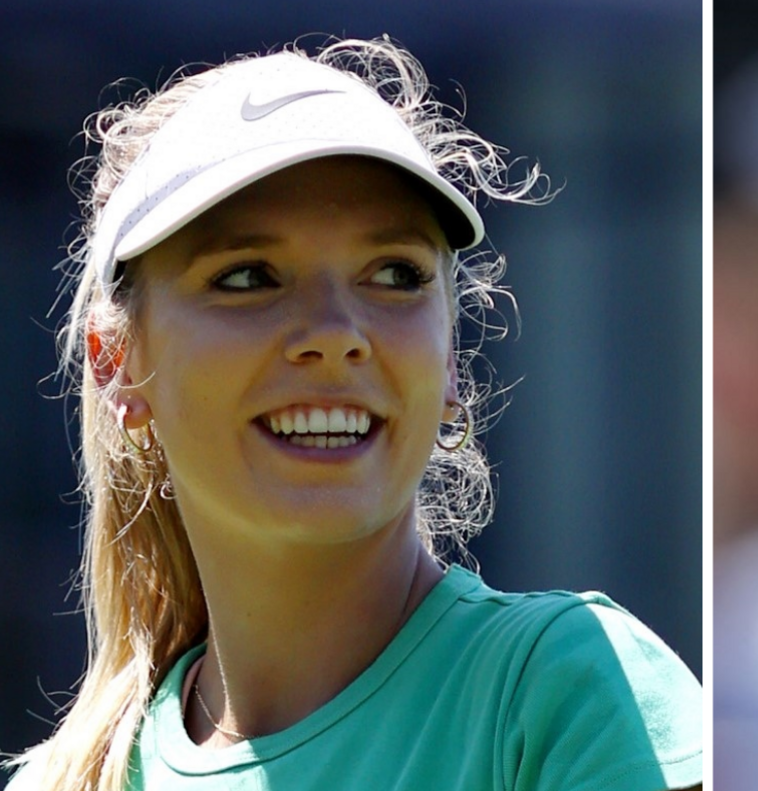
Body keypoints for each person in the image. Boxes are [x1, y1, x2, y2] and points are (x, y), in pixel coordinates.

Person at [5, 38, 702, 791]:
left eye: (395, 274)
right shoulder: (66, 780)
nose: (337, 334)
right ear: (117, 362)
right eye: (247, 276)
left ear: (449, 362)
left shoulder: (569, 690)